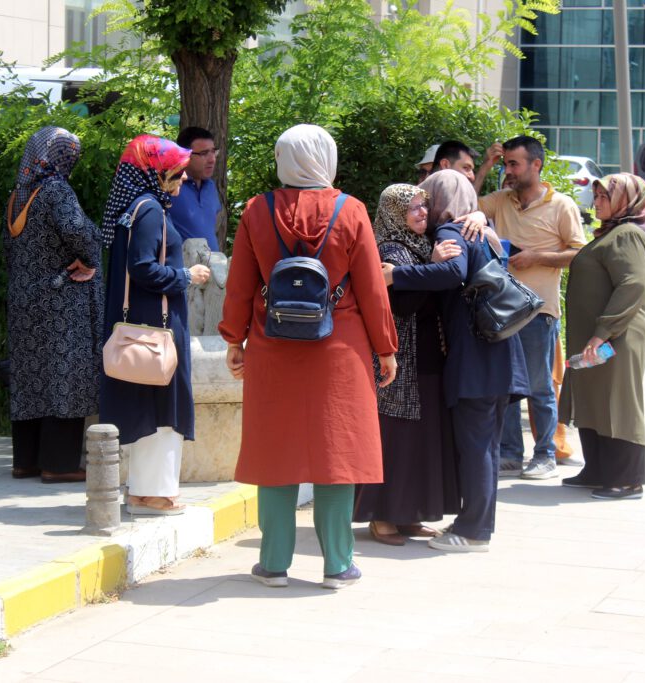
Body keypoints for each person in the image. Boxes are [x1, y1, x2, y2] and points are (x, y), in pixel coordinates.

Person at [220, 124, 398, 589]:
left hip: (272, 345)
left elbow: (240, 283)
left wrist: (233, 340)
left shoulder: (257, 211)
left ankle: (274, 563)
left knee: (274, 451)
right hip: (340, 349)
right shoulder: (352, 211)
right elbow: (373, 289)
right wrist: (386, 348)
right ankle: (338, 564)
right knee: (337, 454)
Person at [384, 170, 529, 552]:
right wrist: (483, 215)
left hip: (476, 359)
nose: (426, 209)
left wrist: (395, 275)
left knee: (477, 447)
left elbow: (453, 271)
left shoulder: (452, 232)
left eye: (429, 200)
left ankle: (473, 530)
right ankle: (476, 524)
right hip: (501, 355)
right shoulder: (485, 231)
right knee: (487, 446)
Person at [99, 135, 210, 515]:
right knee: (163, 404)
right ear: (156, 173)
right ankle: (154, 493)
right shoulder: (149, 210)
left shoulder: (136, 207)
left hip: (144, 322)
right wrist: (186, 275)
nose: (180, 182)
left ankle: (146, 490)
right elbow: (142, 267)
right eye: (175, 175)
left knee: (149, 403)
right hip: (156, 326)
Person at [353, 184, 460, 545]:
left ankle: (411, 513)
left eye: (423, 207)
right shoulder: (389, 249)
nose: (421, 214)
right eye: (412, 208)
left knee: (422, 440)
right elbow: (405, 303)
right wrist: (433, 266)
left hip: (426, 359)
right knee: (396, 441)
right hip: (399, 363)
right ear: (395, 213)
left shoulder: (417, 246)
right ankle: (382, 516)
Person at [476, 135, 586, 480]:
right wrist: (486, 166)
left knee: (539, 385)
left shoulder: (562, 205)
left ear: (536, 165)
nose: (509, 171)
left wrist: (538, 257)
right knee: (506, 384)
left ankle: (545, 454)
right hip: (502, 310)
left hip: (539, 312)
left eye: (514, 164)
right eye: (506, 163)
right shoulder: (500, 200)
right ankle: (510, 452)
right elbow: (464, 207)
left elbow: (581, 253)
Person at [3, 127, 103, 484]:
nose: (72, 159)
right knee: (64, 377)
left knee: (31, 378)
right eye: (69, 153)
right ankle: (58, 465)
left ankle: (26, 461)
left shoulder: (18, 194)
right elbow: (76, 231)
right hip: (61, 300)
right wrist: (90, 259)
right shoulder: (57, 190)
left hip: (25, 301)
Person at [559, 173, 645, 500]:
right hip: (597, 337)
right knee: (593, 400)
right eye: (597, 196)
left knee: (618, 404)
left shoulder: (628, 234)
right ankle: (599, 470)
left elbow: (632, 285)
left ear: (625, 201)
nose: (597, 202)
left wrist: (603, 332)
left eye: (605, 197)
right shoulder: (611, 232)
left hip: (616, 337)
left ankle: (627, 479)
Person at [167, 126, 222, 251]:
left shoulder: (211, 187)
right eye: (204, 153)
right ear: (184, 155)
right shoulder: (171, 186)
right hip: (182, 268)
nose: (212, 159)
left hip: (212, 266)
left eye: (213, 151)